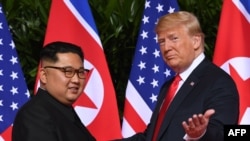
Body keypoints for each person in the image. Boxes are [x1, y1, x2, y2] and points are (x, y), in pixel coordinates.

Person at [118, 11, 239, 141]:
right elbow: (151, 137)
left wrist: (201, 134)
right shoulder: (168, 86)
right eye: (161, 41)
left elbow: (225, 134)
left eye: (174, 38)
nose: (166, 48)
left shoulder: (218, 81)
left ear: (196, 41)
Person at [12, 41, 96, 141]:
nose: (76, 80)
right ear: (44, 75)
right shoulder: (34, 115)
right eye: (68, 71)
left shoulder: (63, 110)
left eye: (81, 72)